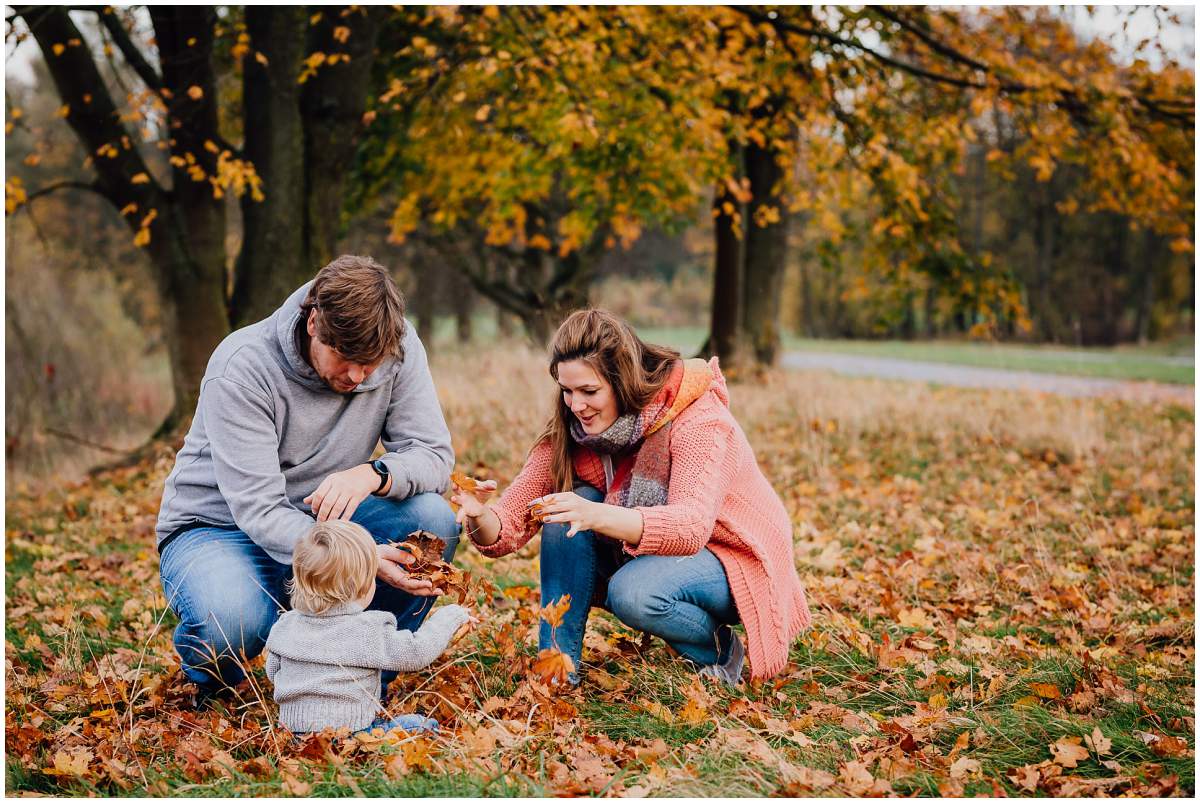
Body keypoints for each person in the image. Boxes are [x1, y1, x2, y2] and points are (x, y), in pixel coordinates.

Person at [156, 255, 458, 705]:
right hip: (221, 529)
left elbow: (434, 456)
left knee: (432, 519)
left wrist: (373, 474)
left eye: (370, 365)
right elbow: (258, 510)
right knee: (232, 619)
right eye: (347, 360)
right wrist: (359, 557)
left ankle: (360, 676)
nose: (358, 378)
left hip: (328, 522)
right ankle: (211, 687)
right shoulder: (243, 367)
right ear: (314, 322)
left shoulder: (398, 348)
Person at [452, 309, 811, 686]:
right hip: (654, 551)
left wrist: (594, 514)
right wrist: (479, 514)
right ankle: (556, 672)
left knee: (634, 592)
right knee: (564, 512)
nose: (576, 405)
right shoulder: (574, 434)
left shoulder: (698, 419)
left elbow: (690, 527)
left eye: (589, 391)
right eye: (567, 391)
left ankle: (721, 650)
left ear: (622, 382)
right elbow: (508, 526)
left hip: (732, 554)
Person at [266, 521, 470, 735]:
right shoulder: (367, 629)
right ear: (362, 588)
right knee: (421, 725)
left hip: (292, 732)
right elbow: (417, 652)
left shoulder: (286, 624)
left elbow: (273, 672)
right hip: (352, 732)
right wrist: (449, 617)